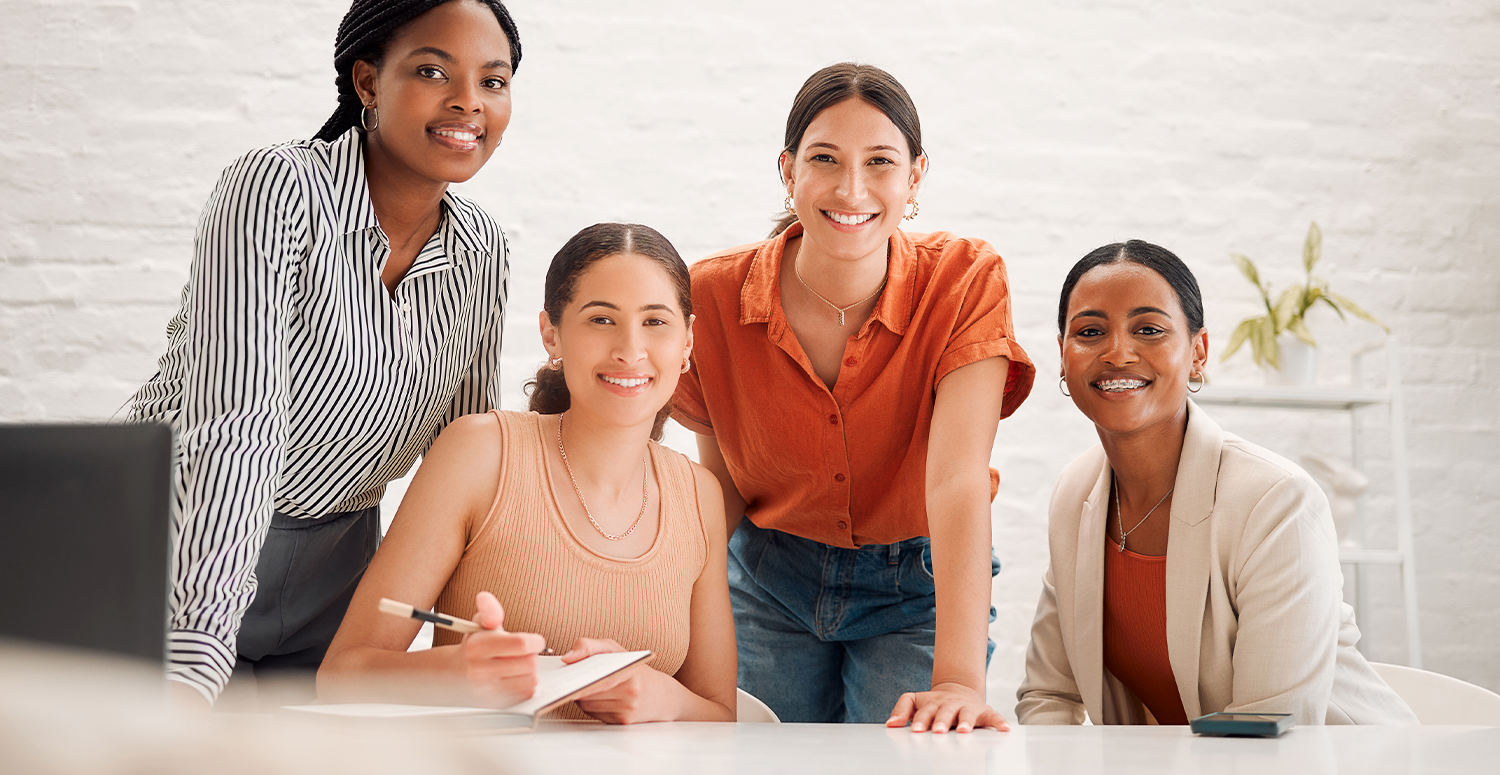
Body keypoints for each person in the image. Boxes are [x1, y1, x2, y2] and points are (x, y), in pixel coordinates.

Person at [125, 0, 522, 708]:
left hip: (336, 569)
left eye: (493, 81)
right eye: (433, 70)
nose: (468, 101)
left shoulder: (481, 249)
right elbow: (233, 428)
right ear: (367, 82)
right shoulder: (277, 190)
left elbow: (460, 466)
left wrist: (462, 654)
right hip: (173, 542)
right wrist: (195, 653)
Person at [673, 63, 1035, 732]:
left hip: (917, 582)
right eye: (825, 159)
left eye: (879, 162)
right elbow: (718, 484)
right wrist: (660, 616)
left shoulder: (965, 279)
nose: (851, 188)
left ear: (915, 177)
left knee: (912, 756)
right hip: (766, 576)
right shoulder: (711, 295)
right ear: (788, 170)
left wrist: (957, 680)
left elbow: (957, 478)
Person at [318, 223, 736, 723]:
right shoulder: (479, 453)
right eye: (601, 320)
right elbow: (340, 676)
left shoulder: (698, 494)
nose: (630, 349)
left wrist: (659, 698)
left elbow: (720, 716)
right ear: (551, 335)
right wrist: (452, 675)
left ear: (687, 342)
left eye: (656, 322)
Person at [1016, 240, 1416, 725]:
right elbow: (1047, 695)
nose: (1117, 352)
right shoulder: (1075, 493)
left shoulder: (1276, 502)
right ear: (1063, 355)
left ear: (1197, 352)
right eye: (1090, 332)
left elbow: (1267, 725)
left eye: (1148, 329)